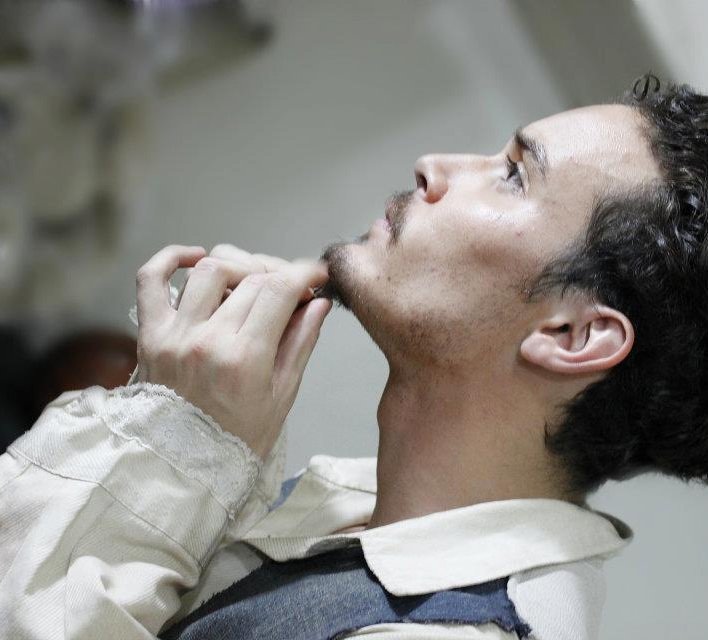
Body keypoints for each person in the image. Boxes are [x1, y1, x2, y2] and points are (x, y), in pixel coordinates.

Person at [2, 74, 707, 640]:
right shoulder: (354, 507)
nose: (434, 166)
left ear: (572, 336)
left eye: (513, 175)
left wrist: (171, 446)